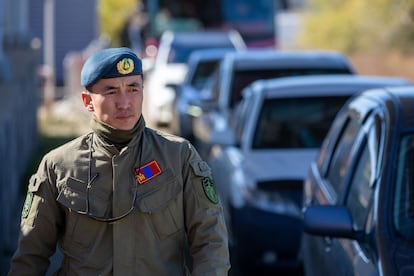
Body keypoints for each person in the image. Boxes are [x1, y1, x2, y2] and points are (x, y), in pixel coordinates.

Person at [9, 47, 230, 275]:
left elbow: (210, 241)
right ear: (88, 101)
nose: (124, 103)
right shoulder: (58, 166)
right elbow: (30, 257)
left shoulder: (178, 156)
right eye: (111, 91)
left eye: (133, 88)